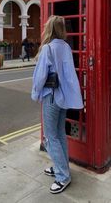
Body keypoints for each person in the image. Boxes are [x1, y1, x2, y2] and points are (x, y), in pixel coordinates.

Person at [31, 15, 83, 194]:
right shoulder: (66, 46)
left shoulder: (48, 48)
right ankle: (61, 167)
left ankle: (63, 176)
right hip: (63, 97)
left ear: (49, 29)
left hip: (51, 96)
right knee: (60, 135)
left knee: (50, 137)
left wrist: (36, 93)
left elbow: (40, 77)